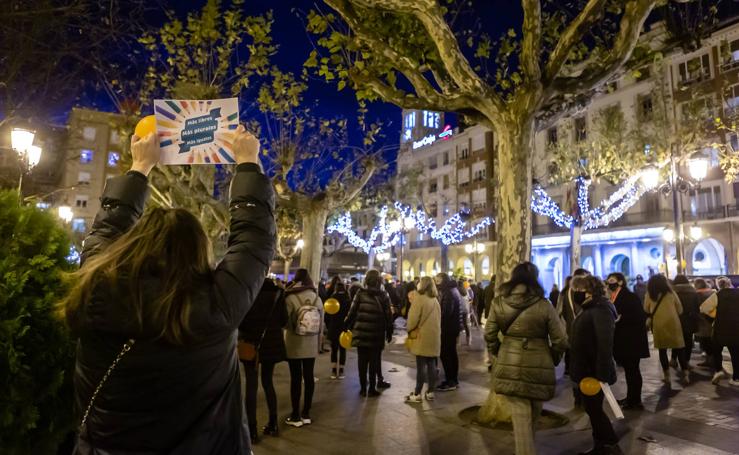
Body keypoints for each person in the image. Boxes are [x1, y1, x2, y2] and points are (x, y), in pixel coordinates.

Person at [60, 127, 275, 454]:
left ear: (132, 246)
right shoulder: (216, 306)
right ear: (200, 254)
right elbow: (254, 241)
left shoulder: (95, 292)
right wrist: (247, 162)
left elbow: (103, 233)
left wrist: (140, 167)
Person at [485, 263, 568, 455]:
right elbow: (561, 339)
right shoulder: (544, 305)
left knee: (521, 417)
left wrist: (498, 352)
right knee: (532, 413)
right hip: (540, 363)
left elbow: (489, 334)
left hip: (510, 362)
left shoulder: (499, 302)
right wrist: (553, 357)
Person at [569, 275, 620, 455]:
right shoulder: (591, 308)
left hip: (593, 371)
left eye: (578, 291)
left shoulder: (600, 310)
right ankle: (601, 444)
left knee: (594, 410)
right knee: (592, 409)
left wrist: (601, 375)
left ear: (589, 292)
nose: (575, 294)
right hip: (586, 369)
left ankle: (609, 444)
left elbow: (604, 344)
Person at [239, 278, 288, 441]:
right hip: (271, 345)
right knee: (268, 382)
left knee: (251, 387)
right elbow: (284, 321)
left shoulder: (249, 294)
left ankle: (252, 431)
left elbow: (241, 322)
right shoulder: (278, 296)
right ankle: (273, 423)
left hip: (251, 345)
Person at [283, 268, 323, 427]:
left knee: (296, 378)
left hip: (294, 343)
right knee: (309, 376)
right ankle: (306, 413)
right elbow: (321, 324)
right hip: (311, 344)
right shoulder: (317, 298)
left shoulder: (291, 298)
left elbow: (285, 322)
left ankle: (295, 415)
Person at [344, 269, 393, 397]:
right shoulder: (384, 295)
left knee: (362, 361)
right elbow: (389, 315)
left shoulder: (360, 293)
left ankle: (362, 389)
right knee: (374, 361)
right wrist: (389, 332)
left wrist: (346, 325)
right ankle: (372, 388)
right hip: (377, 333)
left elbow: (352, 311)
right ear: (379, 280)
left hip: (361, 332)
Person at [606, 273, 649, 410]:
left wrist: (620, 319)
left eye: (612, 281)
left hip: (631, 340)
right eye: (608, 281)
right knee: (630, 371)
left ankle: (635, 400)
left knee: (633, 371)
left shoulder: (629, 296)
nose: (609, 284)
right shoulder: (614, 296)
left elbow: (637, 317)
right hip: (624, 340)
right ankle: (631, 397)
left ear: (620, 282)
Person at [404, 277, 442, 403]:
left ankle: (417, 393)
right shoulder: (435, 300)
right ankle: (431, 392)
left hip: (422, 336)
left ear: (423, 285)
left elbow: (413, 319)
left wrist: (409, 329)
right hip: (434, 336)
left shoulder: (420, 299)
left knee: (421, 367)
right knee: (432, 364)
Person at [557, 267, 590, 407]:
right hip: (583, 335)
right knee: (583, 367)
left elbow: (558, 314)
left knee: (576, 368)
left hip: (572, 335)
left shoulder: (564, 293)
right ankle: (582, 396)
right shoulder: (587, 294)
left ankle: (579, 397)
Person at [644, 274, 686, 384]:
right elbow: (680, 309)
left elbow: (646, 309)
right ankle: (685, 375)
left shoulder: (650, 294)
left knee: (662, 351)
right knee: (679, 348)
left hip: (659, 324)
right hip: (673, 323)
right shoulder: (671, 293)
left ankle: (667, 376)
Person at [701, 277, 739, 385]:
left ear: (719, 286)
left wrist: (713, 317)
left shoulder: (717, 295)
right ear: (730, 284)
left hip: (720, 328)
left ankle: (718, 371)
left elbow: (703, 308)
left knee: (717, 351)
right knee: (736, 354)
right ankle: (736, 378)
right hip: (736, 328)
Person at [436, 273, 464, 391]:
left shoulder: (448, 292)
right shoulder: (453, 290)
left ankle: (450, 380)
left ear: (443, 281)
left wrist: (438, 321)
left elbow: (446, 313)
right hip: (453, 327)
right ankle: (453, 379)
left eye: (438, 280)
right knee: (451, 353)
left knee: (446, 353)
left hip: (448, 328)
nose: (436, 283)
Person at [671, 275, 700, 374]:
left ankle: (673, 359)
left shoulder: (672, 292)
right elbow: (697, 306)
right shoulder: (692, 291)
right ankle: (686, 361)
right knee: (688, 341)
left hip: (677, 319)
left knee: (676, 340)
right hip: (689, 319)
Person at [325, 277, 351, 379]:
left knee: (334, 349)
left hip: (334, 326)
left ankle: (333, 370)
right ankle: (341, 370)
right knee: (343, 349)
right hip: (344, 327)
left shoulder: (332, 299)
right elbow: (350, 314)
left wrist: (328, 325)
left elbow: (327, 315)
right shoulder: (347, 299)